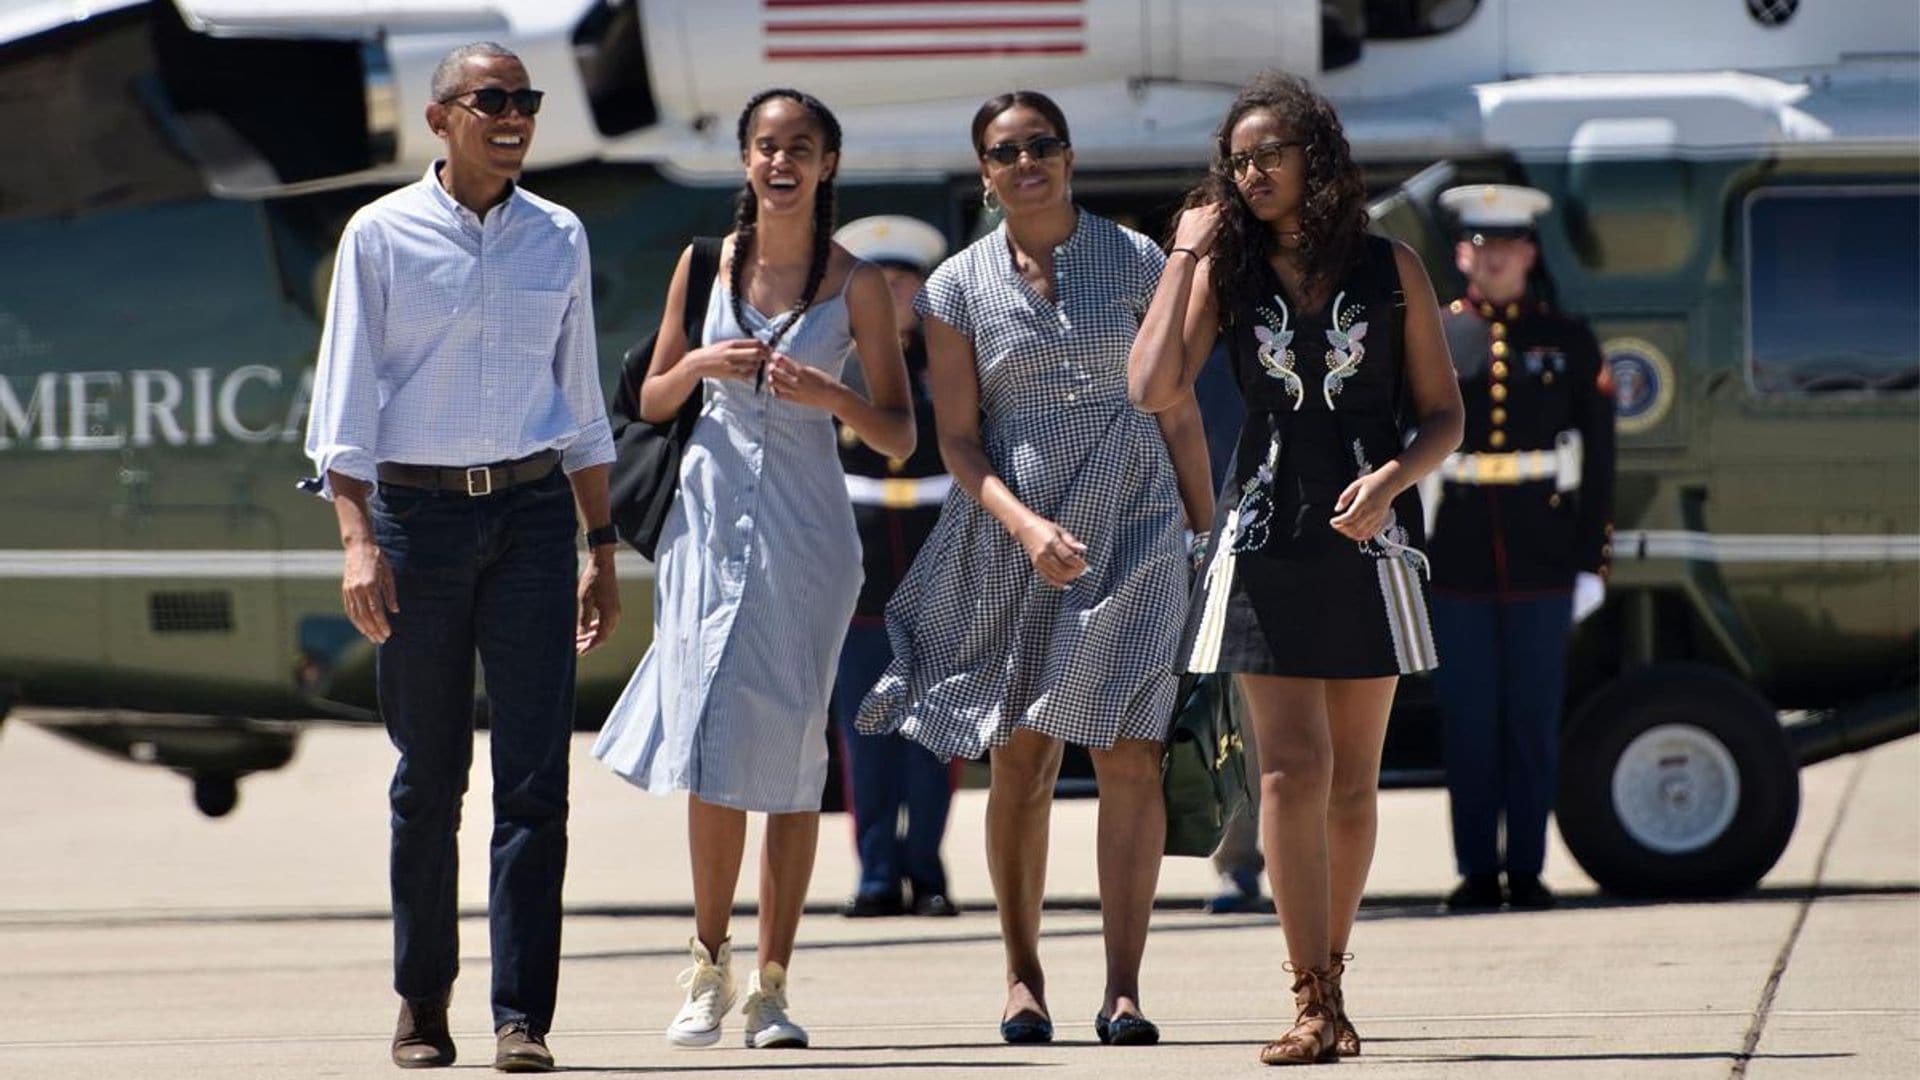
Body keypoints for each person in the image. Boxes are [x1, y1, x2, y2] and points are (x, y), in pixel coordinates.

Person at [858, 90, 1215, 1048]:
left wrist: (1204, 530)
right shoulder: (953, 288)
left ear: (1069, 157)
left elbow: (1176, 405)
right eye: (1007, 152)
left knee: (1130, 751)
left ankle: (1125, 987)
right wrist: (1022, 529)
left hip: (1138, 526)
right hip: (1020, 534)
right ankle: (1021, 975)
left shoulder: (1139, 260)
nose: (1028, 163)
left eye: (1043, 146)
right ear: (984, 173)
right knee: (1019, 758)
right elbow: (961, 443)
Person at [1127, 72, 1463, 1066]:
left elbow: (1443, 415)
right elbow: (1152, 384)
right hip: (1267, 533)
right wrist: (1188, 249)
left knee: (1354, 783)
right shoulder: (1225, 272)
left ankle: (1336, 977)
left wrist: (1395, 481)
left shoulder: (1389, 265)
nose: (1251, 172)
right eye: (1236, 159)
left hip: (1367, 535)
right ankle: (1310, 999)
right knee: (1290, 769)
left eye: (1269, 152)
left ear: (1317, 156)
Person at [303, 41, 619, 1073]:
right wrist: (357, 541)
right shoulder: (381, 235)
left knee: (536, 780)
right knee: (427, 779)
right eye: (492, 99)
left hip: (532, 519)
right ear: (440, 119)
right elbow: (344, 403)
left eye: (524, 99)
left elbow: (580, 404)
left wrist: (601, 544)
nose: (513, 114)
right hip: (417, 525)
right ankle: (421, 1002)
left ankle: (521, 1016)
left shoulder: (557, 235)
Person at [590, 88, 912, 1051]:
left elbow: (897, 433)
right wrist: (698, 368)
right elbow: (649, 396)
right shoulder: (704, 263)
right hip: (706, 528)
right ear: (744, 161)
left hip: (806, 540)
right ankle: (706, 963)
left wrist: (829, 394)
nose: (782, 163)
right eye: (767, 147)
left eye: (801, 149)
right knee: (710, 745)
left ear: (825, 165)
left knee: (795, 757)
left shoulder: (856, 284)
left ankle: (772, 986)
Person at [1428, 184, 1616, 912]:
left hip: (1542, 556)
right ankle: (1477, 868)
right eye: (1482, 243)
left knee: (1533, 720)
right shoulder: (1439, 338)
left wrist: (1590, 562)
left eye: (1509, 244)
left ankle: (1528, 867)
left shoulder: (1567, 339)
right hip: (1460, 555)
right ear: (1462, 253)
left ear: (1530, 253)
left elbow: (1599, 461)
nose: (1495, 256)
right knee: (1469, 719)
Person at [826, 214, 962, 920]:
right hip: (861, 583)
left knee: (935, 738)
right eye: (882, 284)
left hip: (940, 579)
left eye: (906, 282)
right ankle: (876, 871)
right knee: (865, 736)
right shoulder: (840, 364)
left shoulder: (951, 360)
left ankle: (927, 867)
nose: (896, 295)